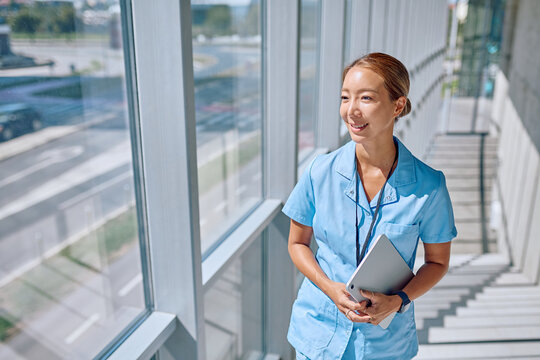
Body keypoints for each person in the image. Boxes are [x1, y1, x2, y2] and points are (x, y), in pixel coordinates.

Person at [282, 52, 457, 360]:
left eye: (366, 98)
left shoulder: (429, 186)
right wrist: (329, 287)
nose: (352, 111)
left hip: (384, 345)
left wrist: (399, 299)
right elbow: (297, 243)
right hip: (318, 333)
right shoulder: (319, 171)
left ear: (397, 106)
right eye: (345, 97)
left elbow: (437, 263)